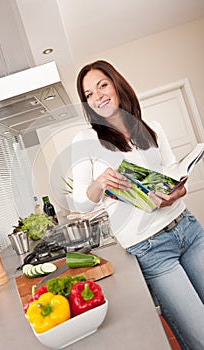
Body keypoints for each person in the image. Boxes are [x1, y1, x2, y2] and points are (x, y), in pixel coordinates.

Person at [71, 60, 204, 350]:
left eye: (102, 85)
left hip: (189, 230)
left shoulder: (150, 127)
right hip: (151, 249)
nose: (98, 96)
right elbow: (80, 202)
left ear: (116, 85)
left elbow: (171, 170)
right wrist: (99, 184)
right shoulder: (85, 140)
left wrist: (176, 192)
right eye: (89, 94)